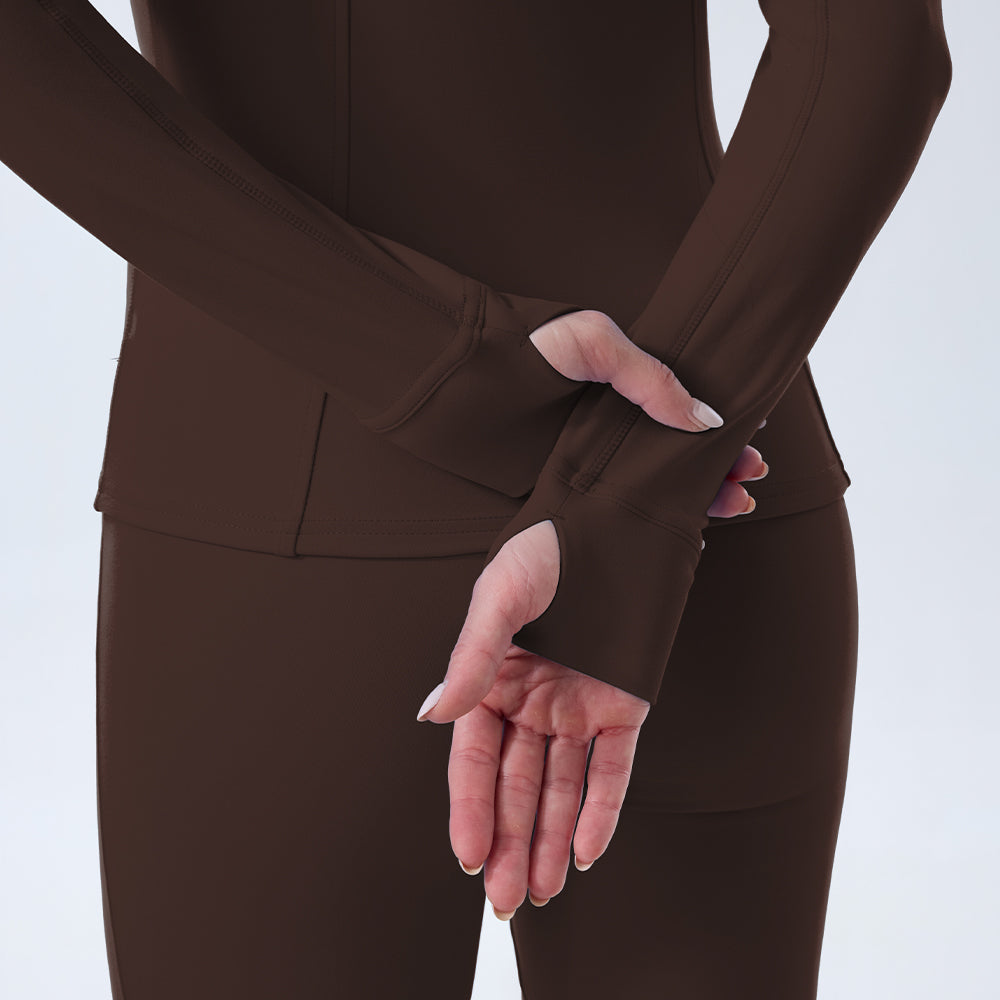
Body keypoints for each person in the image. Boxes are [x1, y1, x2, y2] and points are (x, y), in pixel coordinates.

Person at [1, 0, 951, 997]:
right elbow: (874, 46)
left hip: (274, 496)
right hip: (695, 468)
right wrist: (631, 493)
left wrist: (440, 357)